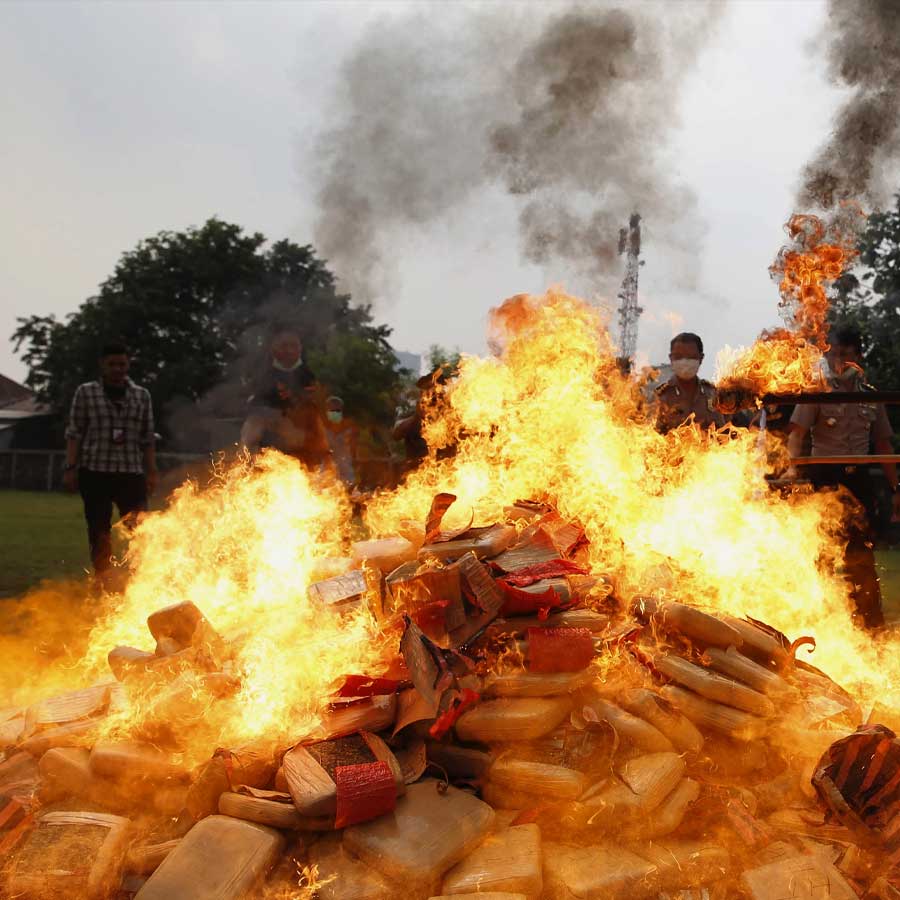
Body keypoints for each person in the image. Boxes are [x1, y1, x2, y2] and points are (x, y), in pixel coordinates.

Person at [787, 327, 899, 630]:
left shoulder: (871, 397)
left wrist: (896, 487)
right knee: (822, 552)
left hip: (859, 480)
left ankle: (869, 622)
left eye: (846, 354)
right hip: (825, 478)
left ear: (858, 356)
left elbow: (884, 444)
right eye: (834, 354)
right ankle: (816, 619)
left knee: (861, 554)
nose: (839, 360)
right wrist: (792, 469)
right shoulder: (818, 392)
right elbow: (797, 434)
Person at [63, 341, 157, 576]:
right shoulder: (86, 393)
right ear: (102, 365)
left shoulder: (141, 396)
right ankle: (102, 576)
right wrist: (70, 468)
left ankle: (141, 576)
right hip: (95, 472)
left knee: (139, 527)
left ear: (128, 365)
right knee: (98, 530)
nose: (117, 369)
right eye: (112, 364)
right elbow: (75, 433)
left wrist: (152, 471)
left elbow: (147, 438)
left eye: (122, 364)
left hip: (130, 473)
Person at [240, 326, 332, 470]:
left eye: (293, 346)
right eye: (284, 346)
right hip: (273, 429)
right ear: (273, 348)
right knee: (253, 423)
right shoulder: (262, 373)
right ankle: (246, 467)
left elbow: (325, 402)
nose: (289, 350)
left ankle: (329, 466)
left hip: (306, 428)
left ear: (300, 348)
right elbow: (254, 404)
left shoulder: (312, 372)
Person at [655, 332, 726, 434]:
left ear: (701, 358)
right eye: (679, 357)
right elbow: (653, 434)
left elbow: (723, 432)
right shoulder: (662, 397)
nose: (684, 362)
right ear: (671, 358)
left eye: (691, 357)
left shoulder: (712, 394)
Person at [323, 395, 359, 485]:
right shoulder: (323, 429)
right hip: (327, 470)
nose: (334, 413)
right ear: (327, 411)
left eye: (337, 410)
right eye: (332, 410)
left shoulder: (350, 428)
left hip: (345, 470)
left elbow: (354, 449)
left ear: (342, 411)